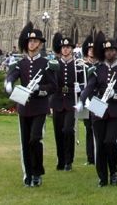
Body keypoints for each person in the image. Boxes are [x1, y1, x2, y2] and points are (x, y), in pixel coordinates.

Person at [5, 22, 57, 187]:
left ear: (40, 44)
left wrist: (39, 89)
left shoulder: (46, 63)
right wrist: (8, 85)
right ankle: (28, 174)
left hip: (39, 108)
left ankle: (37, 172)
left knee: (35, 139)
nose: (32, 44)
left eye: (35, 41)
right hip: (24, 108)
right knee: (25, 142)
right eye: (30, 41)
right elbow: (11, 76)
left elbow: (53, 87)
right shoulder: (20, 63)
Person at [77, 31, 117, 187]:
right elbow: (89, 87)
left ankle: (113, 171)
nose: (110, 53)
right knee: (100, 144)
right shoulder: (97, 69)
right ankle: (102, 177)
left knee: (110, 142)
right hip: (98, 109)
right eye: (107, 51)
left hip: (115, 111)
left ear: (116, 52)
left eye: (112, 50)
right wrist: (82, 100)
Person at [50, 34, 79, 172]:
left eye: (68, 47)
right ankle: (61, 159)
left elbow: (83, 83)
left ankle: (69, 160)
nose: (65, 50)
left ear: (72, 49)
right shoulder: (56, 64)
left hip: (70, 102)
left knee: (68, 130)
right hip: (57, 102)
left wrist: (78, 89)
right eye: (63, 47)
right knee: (58, 132)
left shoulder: (77, 64)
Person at [81, 35, 97, 165]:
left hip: (96, 100)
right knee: (88, 129)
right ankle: (90, 157)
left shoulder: (99, 66)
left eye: (94, 49)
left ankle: (98, 154)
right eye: (89, 49)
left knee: (97, 127)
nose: (91, 51)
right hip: (86, 101)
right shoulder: (82, 65)